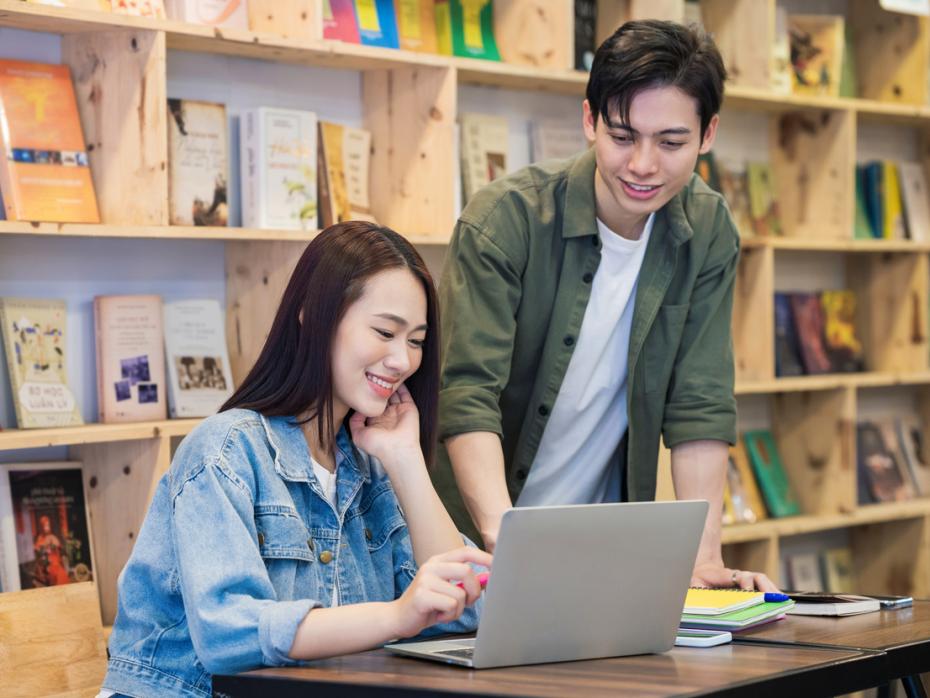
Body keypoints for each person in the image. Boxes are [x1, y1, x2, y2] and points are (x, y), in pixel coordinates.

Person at [433, 20, 776, 592]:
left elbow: (700, 402)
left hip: (601, 552)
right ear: (589, 119)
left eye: (671, 143)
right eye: (622, 136)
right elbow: (466, 395)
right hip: (470, 548)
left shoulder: (709, 228)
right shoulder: (506, 221)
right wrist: (504, 540)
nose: (643, 165)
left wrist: (702, 560)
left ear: (707, 134)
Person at [100, 222, 491, 698]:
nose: (402, 360)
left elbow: (467, 611)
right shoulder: (226, 450)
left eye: (415, 340)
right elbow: (230, 636)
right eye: (385, 331)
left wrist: (406, 460)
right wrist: (396, 615)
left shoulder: (369, 465)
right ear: (314, 315)